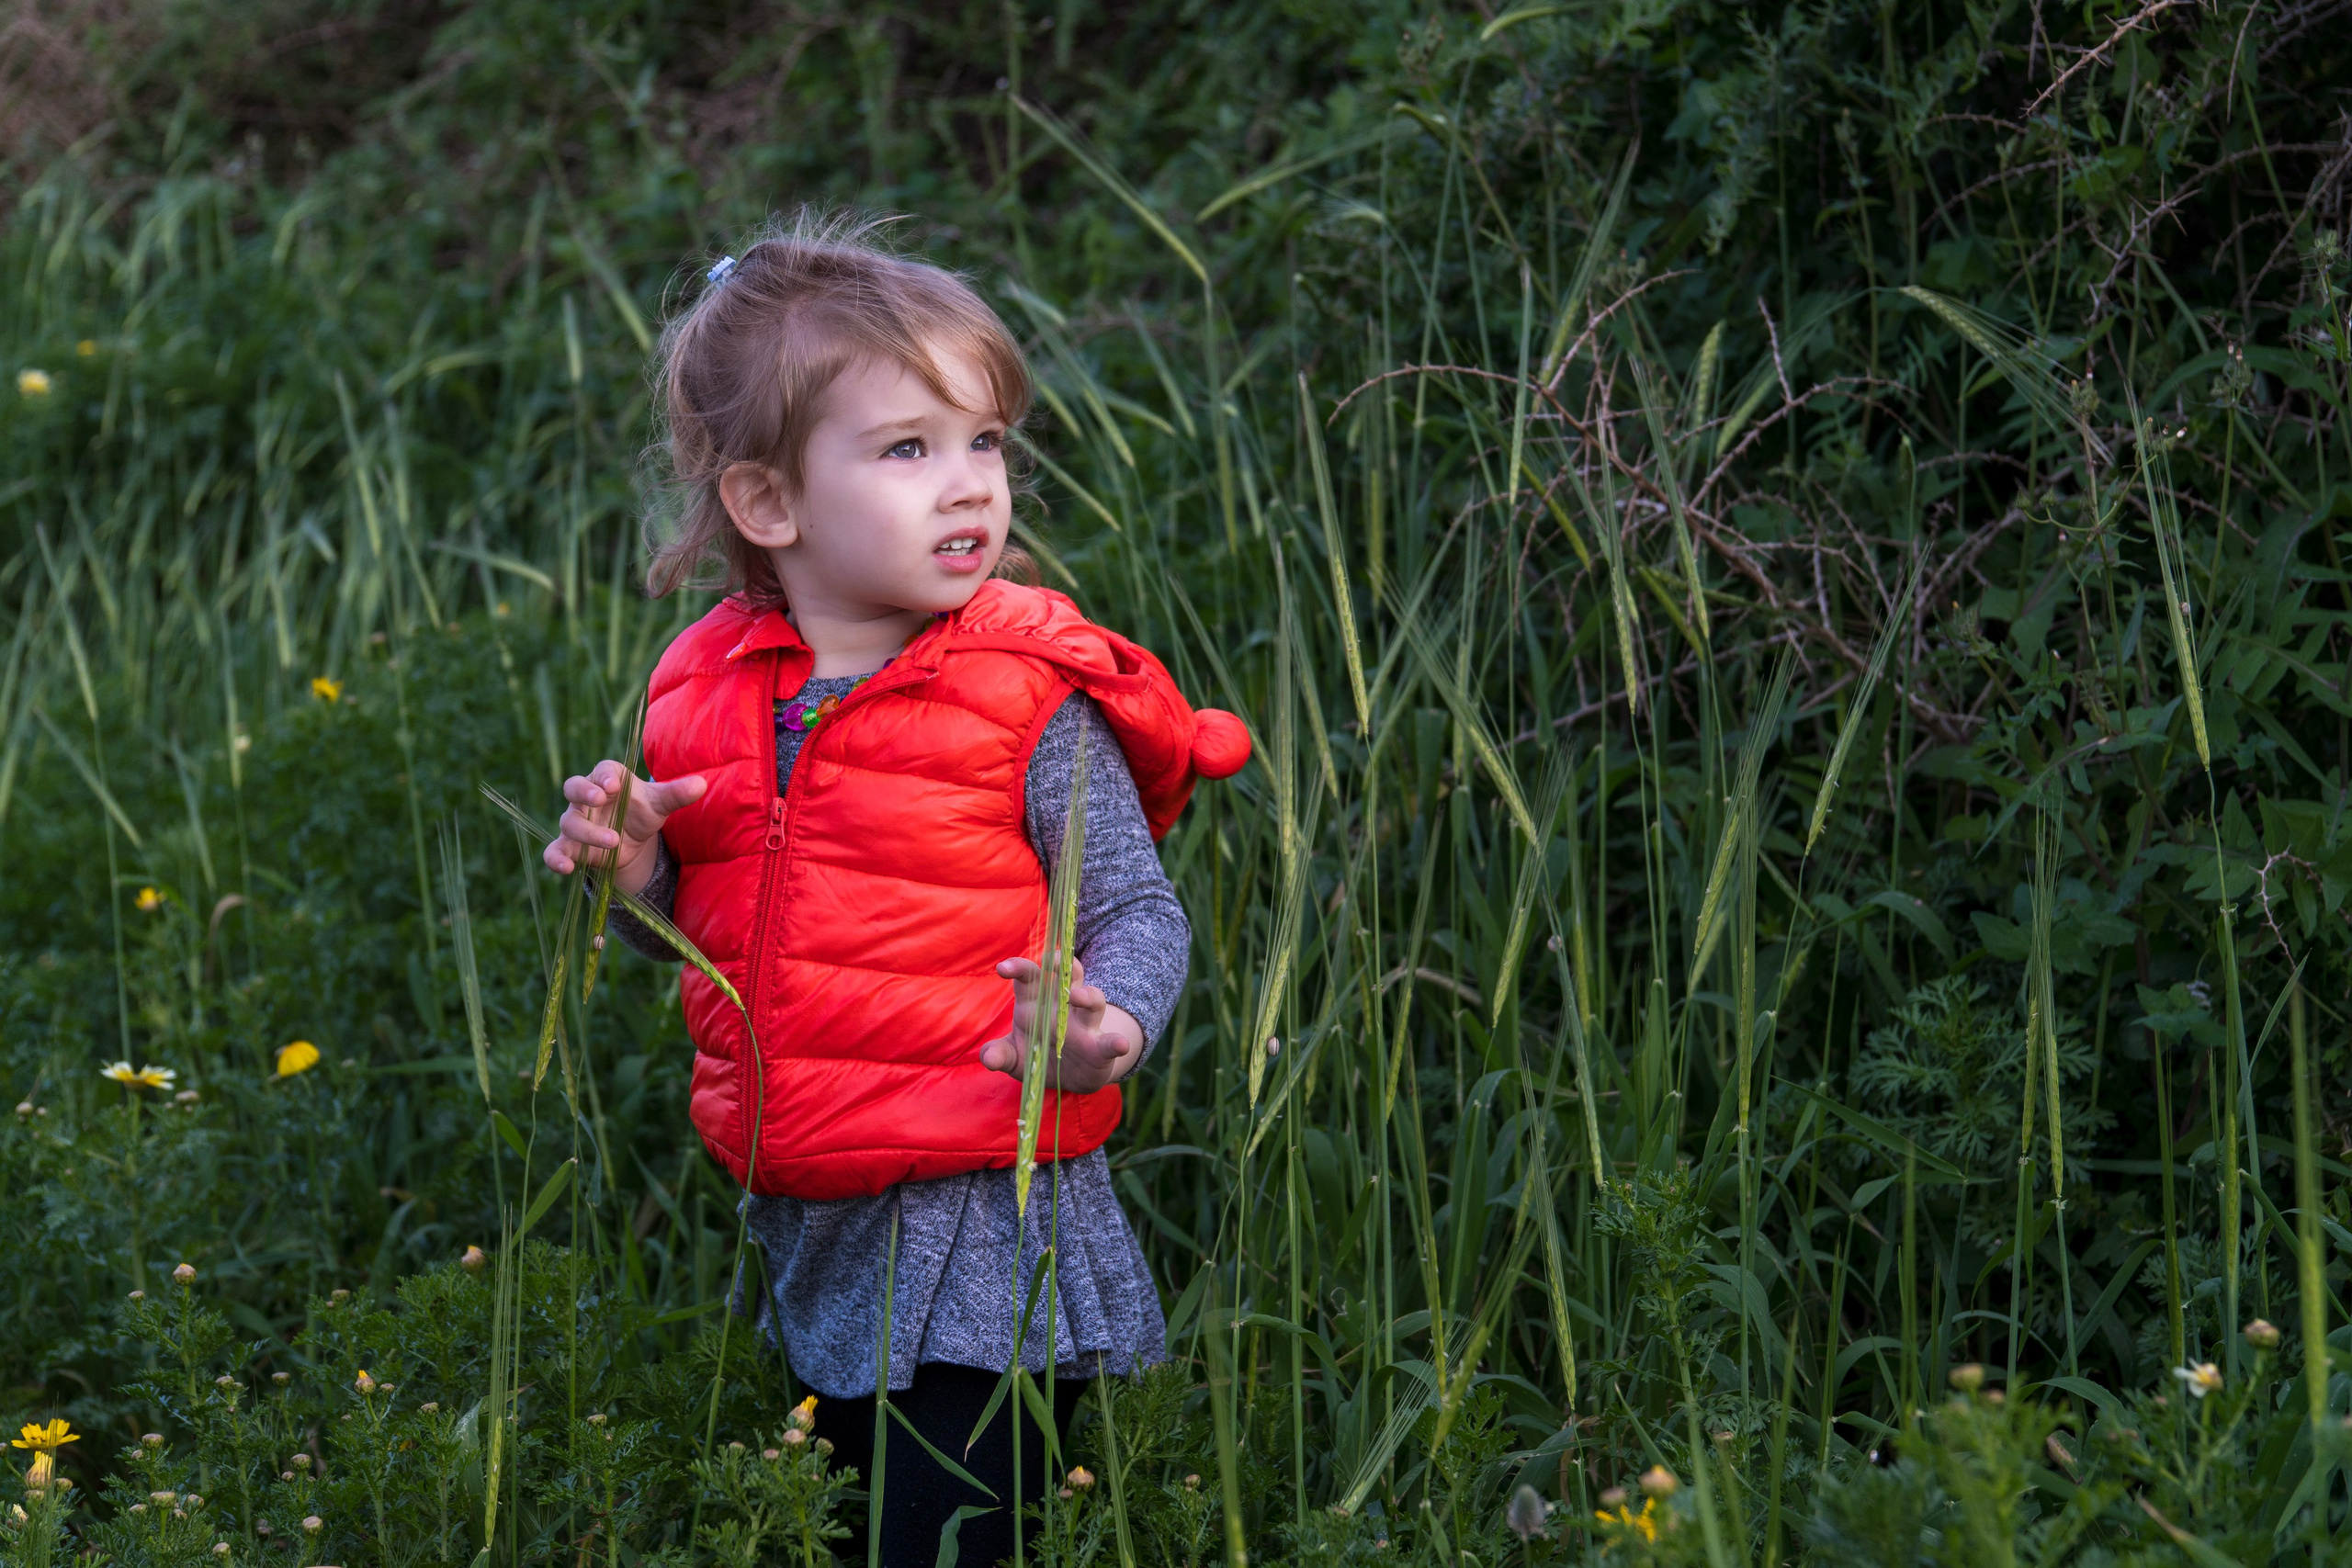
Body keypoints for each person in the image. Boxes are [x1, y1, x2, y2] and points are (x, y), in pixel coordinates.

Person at [540, 211, 1249, 1568]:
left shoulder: (1025, 696)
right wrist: (637, 878)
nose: (971, 484)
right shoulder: (710, 699)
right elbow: (726, 942)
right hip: (821, 1219)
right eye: (909, 450)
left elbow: (1137, 912)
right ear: (768, 503)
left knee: (947, 1540)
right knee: (870, 1523)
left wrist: (1112, 1029)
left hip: (985, 1215)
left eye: (986, 441)